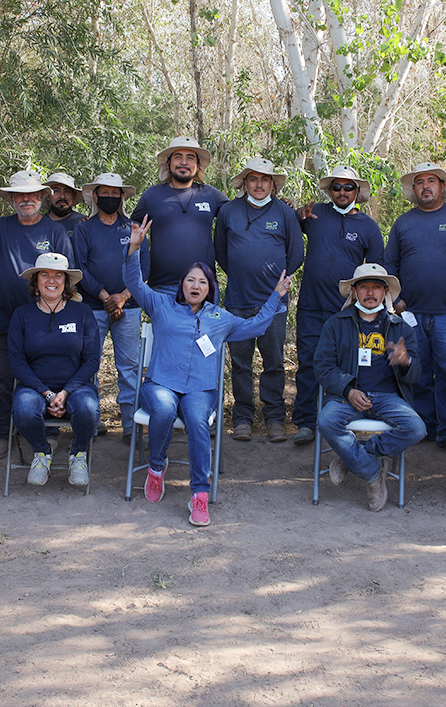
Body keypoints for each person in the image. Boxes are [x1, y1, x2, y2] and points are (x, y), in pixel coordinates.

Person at [124, 217, 291, 527]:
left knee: (198, 422)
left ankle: (199, 494)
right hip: (160, 383)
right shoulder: (161, 305)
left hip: (200, 389)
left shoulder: (220, 318)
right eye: (190, 280)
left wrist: (275, 296)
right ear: (182, 285)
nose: (195, 286)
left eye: (202, 282)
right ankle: (156, 467)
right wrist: (134, 249)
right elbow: (134, 284)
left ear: (210, 288)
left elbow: (255, 325)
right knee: (162, 408)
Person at [0, 170, 73, 460]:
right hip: (3, 320)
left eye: (32, 194)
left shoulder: (55, 231)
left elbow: (67, 277)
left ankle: (47, 434)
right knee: (1, 380)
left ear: (42, 197)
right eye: (20, 195)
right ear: (12, 199)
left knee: (47, 378)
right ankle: (2, 434)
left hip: (45, 323)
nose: (26, 199)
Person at [315, 263, 427, 511]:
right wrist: (348, 390)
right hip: (348, 396)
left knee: (416, 428)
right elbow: (322, 367)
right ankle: (372, 472)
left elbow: (416, 374)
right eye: (364, 287)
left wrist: (406, 361)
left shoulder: (400, 328)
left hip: (387, 396)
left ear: (385, 292)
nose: (370, 293)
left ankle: (354, 457)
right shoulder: (336, 324)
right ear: (354, 291)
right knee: (326, 421)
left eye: (376, 287)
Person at [384, 162, 446, 459]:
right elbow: (391, 264)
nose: (425, 186)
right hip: (411, 313)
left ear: (442, 187)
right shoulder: (403, 223)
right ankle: (423, 427)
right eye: (420, 182)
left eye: (431, 181)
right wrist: (395, 300)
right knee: (417, 372)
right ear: (413, 190)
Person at [291, 165, 385, 444]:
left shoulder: (368, 227)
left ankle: (343, 420)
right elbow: (288, 228)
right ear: (329, 190)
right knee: (308, 363)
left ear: (357, 191)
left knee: (347, 367)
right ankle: (306, 423)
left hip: (347, 312)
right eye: (336, 187)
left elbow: (379, 270)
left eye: (348, 187)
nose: (342, 192)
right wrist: (293, 212)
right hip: (310, 306)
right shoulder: (314, 214)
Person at [215, 157, 304, 443]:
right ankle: (242, 417)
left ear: (273, 185)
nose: (259, 184)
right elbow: (221, 252)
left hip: (274, 302)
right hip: (238, 301)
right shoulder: (228, 212)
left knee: (274, 362)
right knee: (240, 363)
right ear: (244, 183)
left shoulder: (285, 213)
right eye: (253, 179)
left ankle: (275, 417)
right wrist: (243, 274)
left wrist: (278, 284)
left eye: (265, 179)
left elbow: (297, 253)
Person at [9, 254, 101, 487]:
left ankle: (78, 455)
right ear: (36, 281)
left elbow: (91, 360)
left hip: (77, 387)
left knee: (89, 408)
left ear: (66, 281)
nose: (52, 280)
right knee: (24, 408)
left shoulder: (82, 313)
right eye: (45, 275)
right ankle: (42, 453)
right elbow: (17, 362)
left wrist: (66, 392)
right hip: (34, 388)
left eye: (57, 275)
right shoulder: (22, 315)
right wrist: (47, 394)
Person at [75, 172, 148, 438]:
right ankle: (89, 423)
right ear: (95, 196)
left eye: (114, 194)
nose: (109, 198)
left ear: (122, 197)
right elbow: (80, 267)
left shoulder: (133, 228)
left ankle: (131, 428)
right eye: (103, 193)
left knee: (129, 368)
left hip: (128, 308)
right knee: (88, 365)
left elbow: (145, 267)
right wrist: (106, 296)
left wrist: (123, 297)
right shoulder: (84, 229)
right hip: (93, 307)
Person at [132, 136, 229, 296]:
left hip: (204, 286)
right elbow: (127, 228)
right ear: (168, 163)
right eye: (178, 157)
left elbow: (240, 213)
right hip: (163, 288)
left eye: (190, 158)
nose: (184, 162)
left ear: (198, 166)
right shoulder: (152, 195)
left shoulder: (211, 194)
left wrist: (278, 203)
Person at [45, 172, 87, 241]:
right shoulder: (39, 224)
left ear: (74, 196)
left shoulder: (82, 223)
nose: (62, 196)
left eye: (67, 191)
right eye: (56, 191)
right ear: (47, 196)